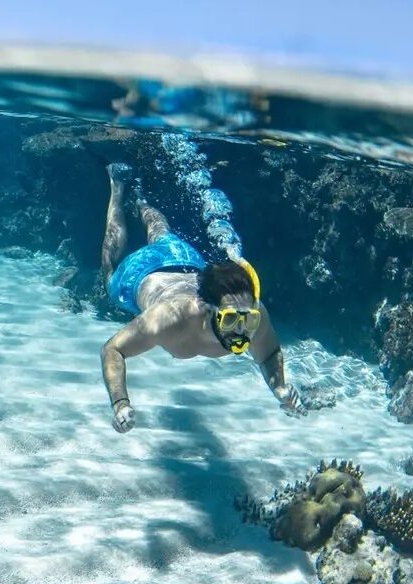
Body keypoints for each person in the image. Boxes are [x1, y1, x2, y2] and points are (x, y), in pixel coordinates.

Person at [99, 164, 299, 431]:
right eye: (231, 320)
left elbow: (269, 354)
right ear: (207, 309)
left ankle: (142, 200)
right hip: (139, 272)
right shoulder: (169, 319)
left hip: (186, 260)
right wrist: (120, 404)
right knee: (110, 266)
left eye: (248, 320)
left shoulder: (254, 312)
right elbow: (113, 349)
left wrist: (279, 387)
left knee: (161, 232)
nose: (242, 330)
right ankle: (118, 189)